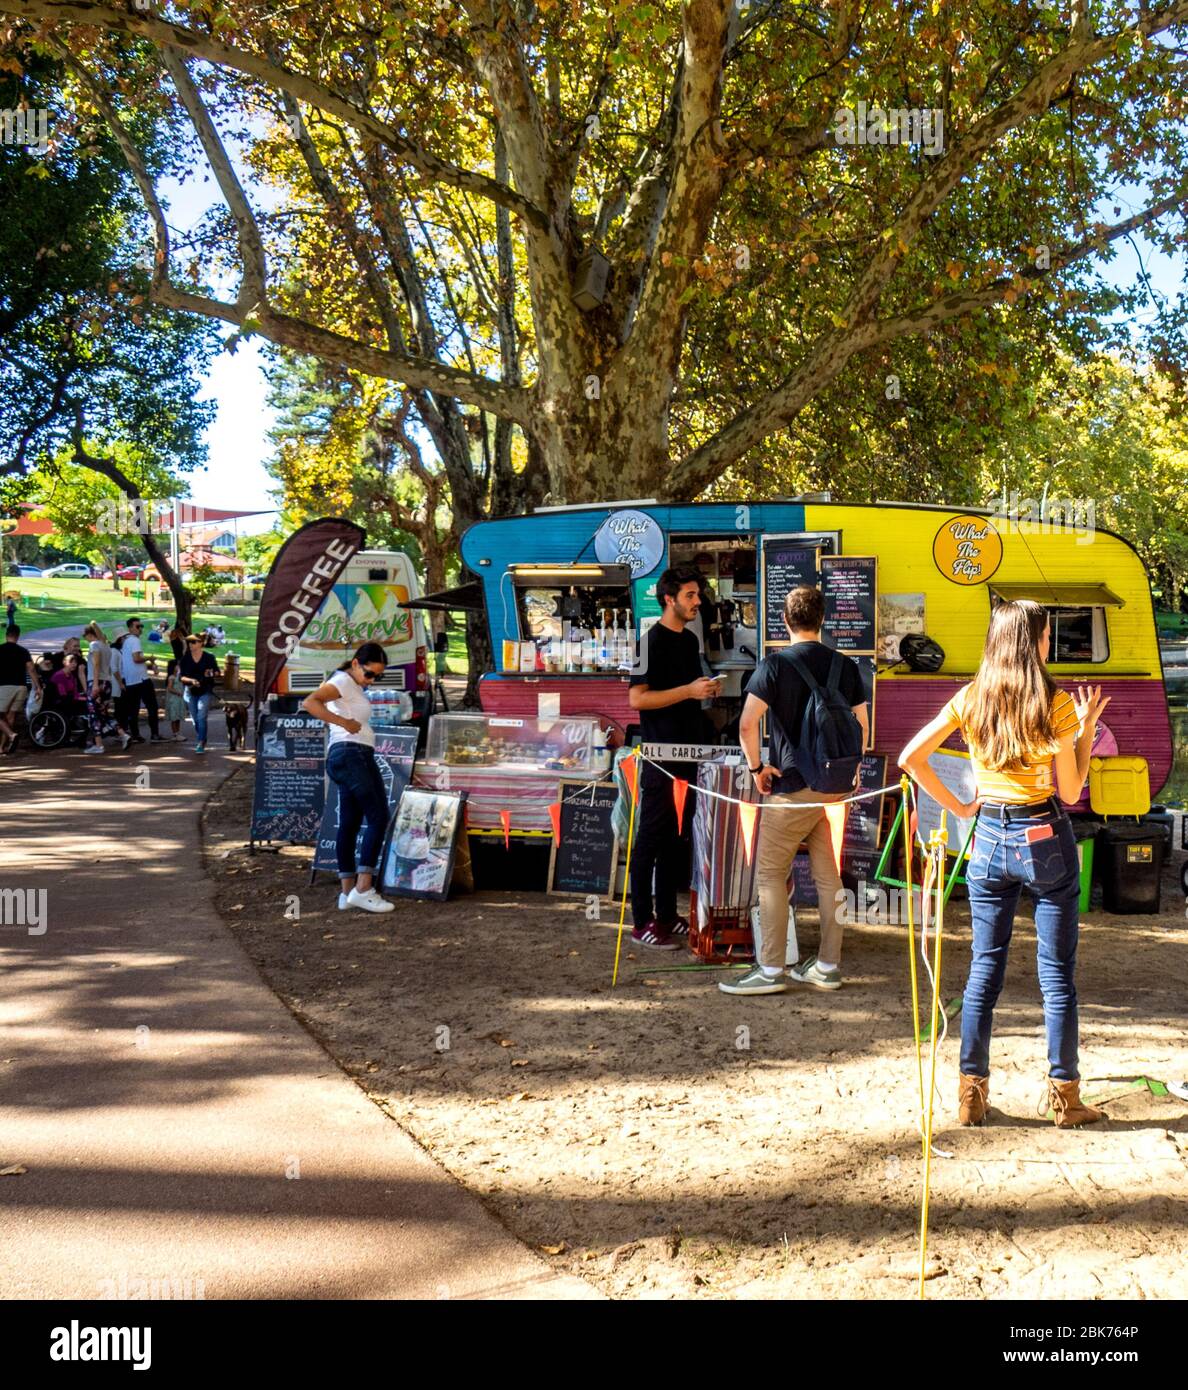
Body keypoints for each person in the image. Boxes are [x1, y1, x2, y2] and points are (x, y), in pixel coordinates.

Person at [899, 598, 1110, 1129]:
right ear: (1034, 642)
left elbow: (909, 758)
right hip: (1044, 833)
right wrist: (1083, 731)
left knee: (983, 970)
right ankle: (1065, 1097)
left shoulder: (971, 698)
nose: (1048, 645)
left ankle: (972, 1095)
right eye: (1044, 636)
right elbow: (1071, 787)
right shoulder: (1055, 703)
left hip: (988, 834)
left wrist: (962, 806)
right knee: (1057, 976)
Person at [720, 585, 868, 996]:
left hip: (791, 789)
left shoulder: (773, 666)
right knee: (828, 878)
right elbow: (862, 730)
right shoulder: (846, 666)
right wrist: (848, 776)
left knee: (770, 875)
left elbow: (747, 724)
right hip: (836, 790)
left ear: (785, 621)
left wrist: (755, 768)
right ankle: (826, 965)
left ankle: (769, 970)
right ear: (823, 620)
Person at [627, 567, 720, 950]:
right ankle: (641, 922)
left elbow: (690, 692)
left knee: (675, 839)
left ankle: (667, 914)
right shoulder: (646, 644)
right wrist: (687, 691)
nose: (697, 602)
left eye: (698, 595)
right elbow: (636, 699)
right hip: (660, 756)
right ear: (669, 599)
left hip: (689, 754)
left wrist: (707, 692)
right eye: (690, 595)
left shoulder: (689, 642)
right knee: (650, 837)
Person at [301, 641, 395, 914]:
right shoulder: (342, 680)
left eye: (378, 676)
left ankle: (347, 892)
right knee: (378, 816)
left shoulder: (349, 684)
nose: (372, 681)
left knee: (350, 822)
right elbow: (310, 702)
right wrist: (344, 723)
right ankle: (364, 889)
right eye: (369, 674)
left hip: (347, 755)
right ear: (355, 663)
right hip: (352, 754)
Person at [81, 621, 129, 754]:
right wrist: (94, 624)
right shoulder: (106, 646)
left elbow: (96, 664)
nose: (85, 639)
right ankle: (123, 734)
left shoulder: (94, 645)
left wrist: (95, 684)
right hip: (107, 682)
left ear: (89, 635)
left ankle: (98, 745)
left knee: (93, 713)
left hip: (96, 681)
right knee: (103, 712)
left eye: (85, 636)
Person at [117, 616, 163, 743]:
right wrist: (149, 658)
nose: (140, 629)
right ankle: (154, 734)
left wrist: (147, 664)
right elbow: (136, 659)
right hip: (141, 680)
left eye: (141, 626)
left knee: (133, 709)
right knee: (152, 707)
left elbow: (134, 662)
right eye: (138, 626)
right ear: (130, 628)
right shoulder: (134, 641)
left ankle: (136, 735)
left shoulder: (126, 642)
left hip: (131, 680)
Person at [0, 624, 40, 755]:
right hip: (21, 687)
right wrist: (38, 687)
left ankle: (11, 735)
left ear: (6, 635)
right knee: (10, 716)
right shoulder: (23, 651)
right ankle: (2, 747)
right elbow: (31, 669)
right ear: (18, 636)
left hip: (5, 686)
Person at [178, 634, 219, 753]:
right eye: (189, 642)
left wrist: (210, 673)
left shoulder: (209, 657)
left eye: (193, 642)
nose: (191, 644)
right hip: (190, 692)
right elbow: (182, 677)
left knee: (202, 717)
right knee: (195, 719)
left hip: (205, 691)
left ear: (201, 643)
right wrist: (191, 681)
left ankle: (200, 742)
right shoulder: (185, 659)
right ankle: (203, 737)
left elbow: (217, 672)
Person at [163, 657, 187, 741]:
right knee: (174, 717)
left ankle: (177, 733)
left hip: (179, 700)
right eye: (177, 665)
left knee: (177, 717)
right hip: (173, 699)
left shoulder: (179, 676)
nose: (178, 667)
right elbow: (169, 688)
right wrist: (178, 692)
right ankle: (175, 734)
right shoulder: (171, 677)